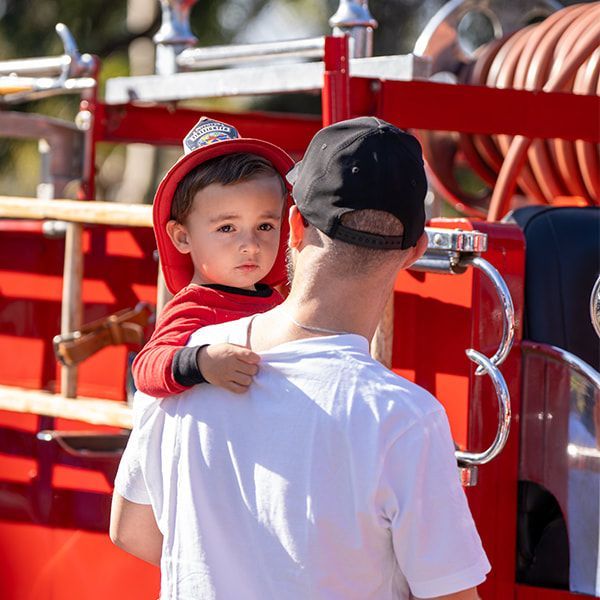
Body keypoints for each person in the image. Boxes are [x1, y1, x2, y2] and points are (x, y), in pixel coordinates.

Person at [111, 117, 491, 600]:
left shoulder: (186, 354)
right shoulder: (406, 419)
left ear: (293, 226)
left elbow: (132, 530)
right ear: (415, 251)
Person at [132, 116, 294, 397]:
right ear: (182, 237)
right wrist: (202, 362)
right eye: (227, 228)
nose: (251, 245)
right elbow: (145, 368)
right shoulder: (194, 307)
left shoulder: (278, 303)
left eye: (265, 226)